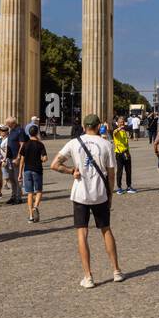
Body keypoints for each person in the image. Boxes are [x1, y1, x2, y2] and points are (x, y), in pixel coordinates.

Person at [51, 114, 123, 289]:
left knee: (82, 234)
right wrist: (110, 195)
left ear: (84, 127)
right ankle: (116, 271)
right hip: (100, 194)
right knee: (106, 230)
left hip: (80, 194)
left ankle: (88, 276)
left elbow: (54, 164)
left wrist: (71, 171)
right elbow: (111, 174)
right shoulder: (107, 144)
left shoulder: (74, 143)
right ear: (99, 127)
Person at [19, 124, 48, 222]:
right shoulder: (40, 144)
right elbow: (45, 158)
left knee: (30, 193)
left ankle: (31, 216)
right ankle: (35, 207)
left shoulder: (25, 145)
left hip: (27, 170)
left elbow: (22, 160)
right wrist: (41, 159)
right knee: (39, 191)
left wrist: (19, 173)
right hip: (37, 170)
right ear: (37, 133)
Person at [112, 118, 133, 195]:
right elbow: (114, 133)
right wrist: (119, 128)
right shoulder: (116, 131)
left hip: (126, 152)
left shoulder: (124, 131)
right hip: (119, 153)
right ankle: (119, 187)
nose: (122, 123)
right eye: (120, 122)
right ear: (117, 123)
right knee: (120, 171)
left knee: (128, 170)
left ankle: (129, 186)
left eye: (123, 122)